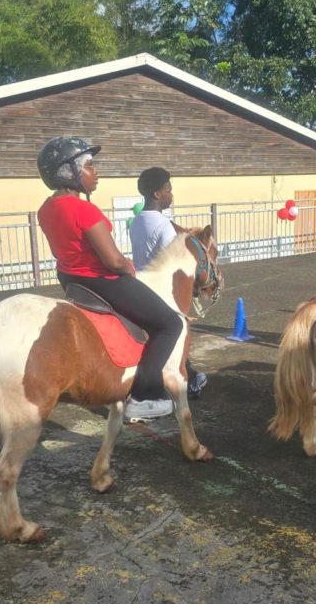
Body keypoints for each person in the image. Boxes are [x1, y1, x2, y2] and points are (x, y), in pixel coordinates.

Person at [36, 136, 182, 421]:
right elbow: (113, 260)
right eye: (90, 166)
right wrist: (129, 267)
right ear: (69, 172)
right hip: (102, 279)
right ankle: (144, 396)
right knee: (170, 324)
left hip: (72, 280)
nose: (96, 172)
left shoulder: (46, 209)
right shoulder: (84, 209)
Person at [129, 166, 208, 399]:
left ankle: (190, 375)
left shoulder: (137, 221)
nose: (171, 195)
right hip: (162, 291)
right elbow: (173, 267)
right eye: (168, 190)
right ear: (157, 194)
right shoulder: (164, 227)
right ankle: (186, 381)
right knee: (177, 334)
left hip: (140, 287)